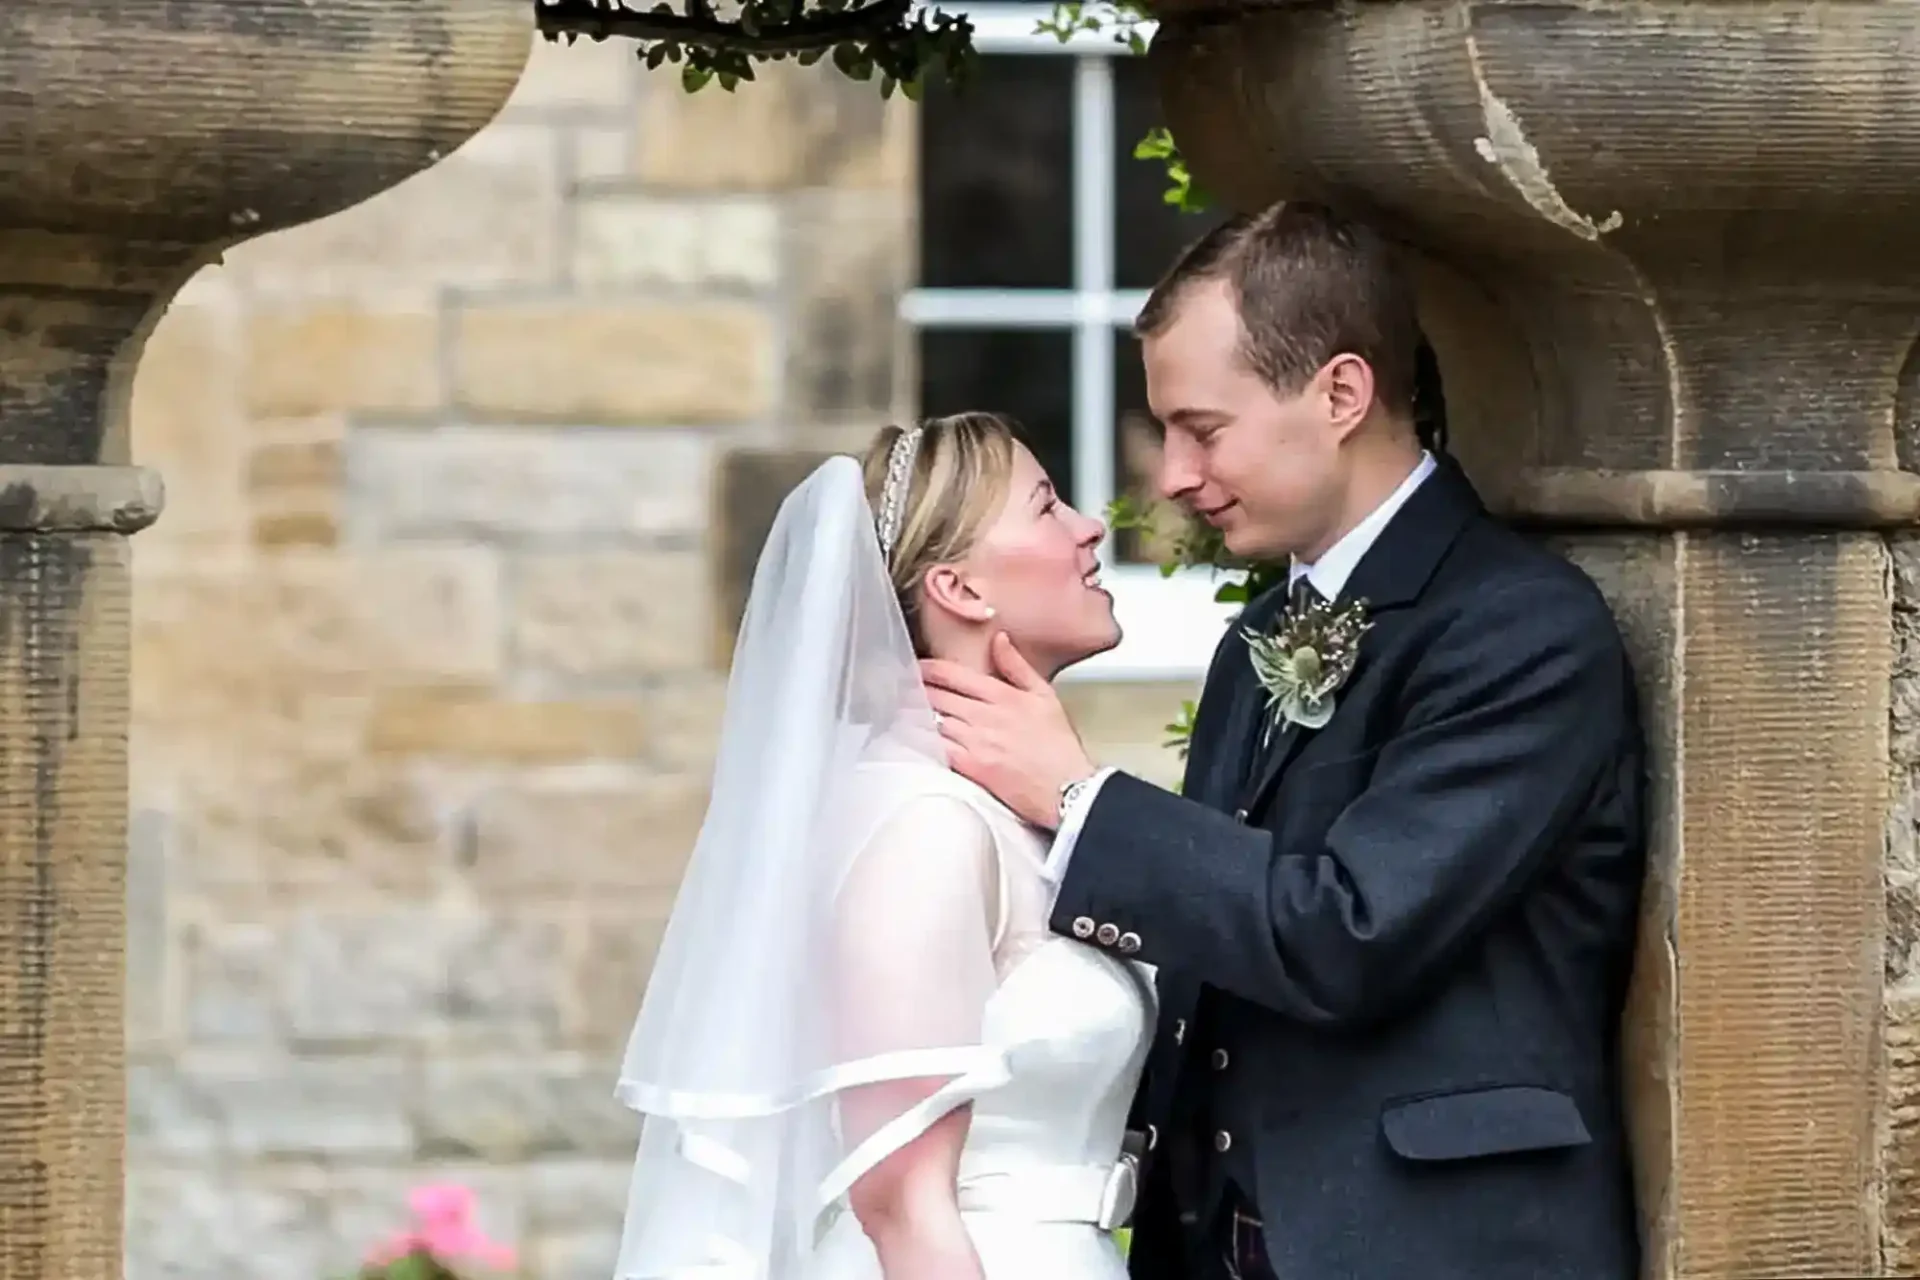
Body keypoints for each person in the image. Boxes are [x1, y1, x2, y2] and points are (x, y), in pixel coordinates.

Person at [921, 203, 1648, 1280]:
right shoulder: (1260, 636)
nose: (1168, 473)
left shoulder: (1523, 629)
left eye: (1202, 428)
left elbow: (1352, 932)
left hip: (1440, 1249)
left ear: (1341, 394)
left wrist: (1083, 801)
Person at [612, 411, 1156, 1280]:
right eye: (1048, 506)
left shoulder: (1011, 810)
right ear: (961, 589)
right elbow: (901, 1203)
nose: (1090, 528)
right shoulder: (924, 823)